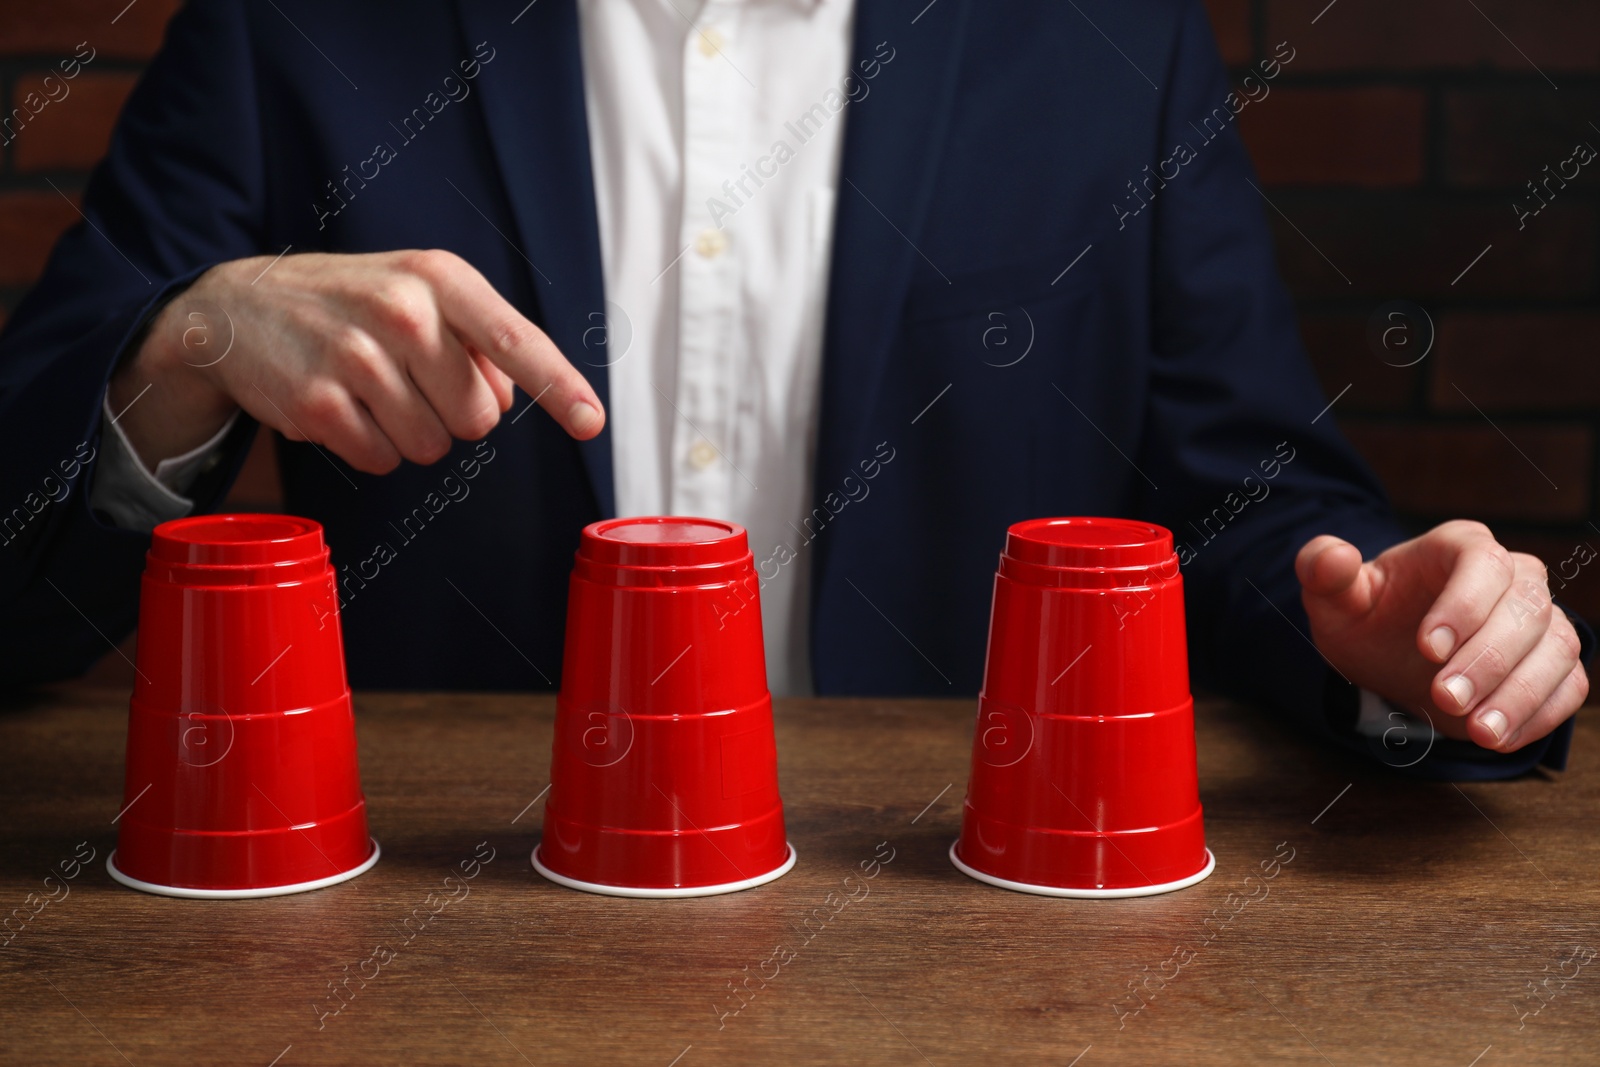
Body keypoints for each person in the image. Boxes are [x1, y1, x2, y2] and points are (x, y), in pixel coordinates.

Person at [0, 0, 1585, 781]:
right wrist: (184, 348)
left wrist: (1398, 646)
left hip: (971, 941)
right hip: (446, 940)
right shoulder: (298, 19)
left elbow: (1255, 508)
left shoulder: (1106, 34)